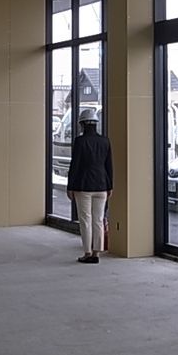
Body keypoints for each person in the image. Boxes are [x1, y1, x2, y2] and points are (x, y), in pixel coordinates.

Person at [66, 108, 113, 264]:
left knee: (85, 220)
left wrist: (70, 186)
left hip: (83, 186)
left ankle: (87, 252)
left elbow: (75, 165)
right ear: (95, 124)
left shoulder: (80, 141)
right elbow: (109, 166)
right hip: (102, 186)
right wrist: (110, 185)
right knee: (98, 220)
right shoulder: (105, 141)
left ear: (82, 124)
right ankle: (97, 253)